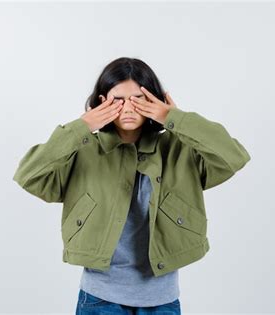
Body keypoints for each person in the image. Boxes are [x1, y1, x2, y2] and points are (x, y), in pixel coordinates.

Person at [13, 57, 251, 314]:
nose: (128, 108)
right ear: (101, 101)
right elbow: (28, 174)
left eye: (139, 99)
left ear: (154, 101)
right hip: (99, 298)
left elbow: (233, 156)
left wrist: (176, 119)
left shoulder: (177, 149)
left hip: (162, 300)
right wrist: (81, 127)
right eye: (117, 100)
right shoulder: (84, 150)